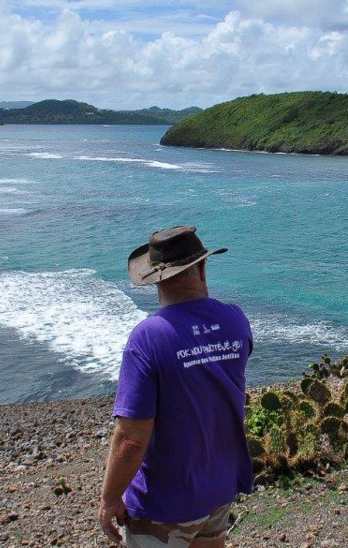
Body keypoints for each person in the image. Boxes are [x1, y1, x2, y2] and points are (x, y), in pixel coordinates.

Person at [100, 225, 254, 547]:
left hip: (165, 503)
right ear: (202, 267)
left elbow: (131, 439)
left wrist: (110, 499)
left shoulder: (148, 338)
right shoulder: (236, 321)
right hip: (219, 489)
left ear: (154, 280)